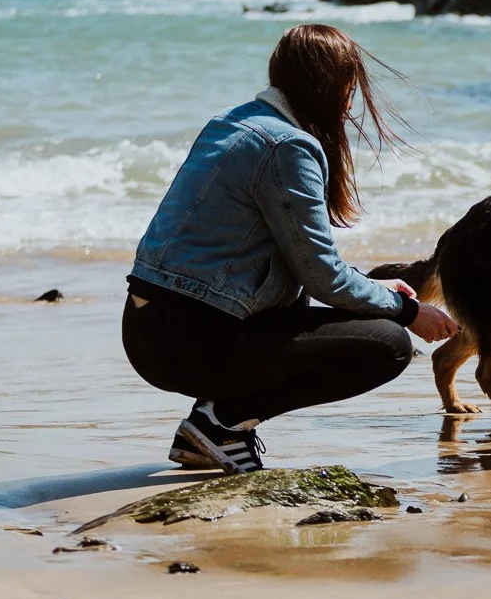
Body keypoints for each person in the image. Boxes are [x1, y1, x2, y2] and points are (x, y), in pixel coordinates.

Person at [122, 24, 459, 472]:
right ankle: (222, 422)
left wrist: (375, 288)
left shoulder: (236, 122)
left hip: (152, 328)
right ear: (330, 85)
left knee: (369, 319)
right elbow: (321, 277)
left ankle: (205, 432)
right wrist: (407, 312)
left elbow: (301, 261)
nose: (351, 102)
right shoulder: (287, 145)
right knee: (389, 344)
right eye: (349, 87)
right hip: (188, 339)